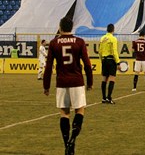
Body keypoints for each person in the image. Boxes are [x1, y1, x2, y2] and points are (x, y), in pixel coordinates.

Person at [43, 17, 93, 155]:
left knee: (64, 113)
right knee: (80, 111)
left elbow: (48, 67)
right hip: (77, 81)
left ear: (60, 27)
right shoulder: (79, 42)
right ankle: (72, 140)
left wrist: (46, 85)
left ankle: (67, 145)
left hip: (62, 82)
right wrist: (90, 82)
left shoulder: (54, 43)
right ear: (72, 27)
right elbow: (87, 64)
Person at [99, 23, 119, 104]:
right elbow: (114, 51)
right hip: (111, 60)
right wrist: (118, 62)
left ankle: (104, 98)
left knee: (104, 79)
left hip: (104, 59)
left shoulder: (102, 38)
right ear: (113, 30)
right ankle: (109, 98)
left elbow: (100, 51)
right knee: (112, 78)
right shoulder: (113, 39)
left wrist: (101, 60)